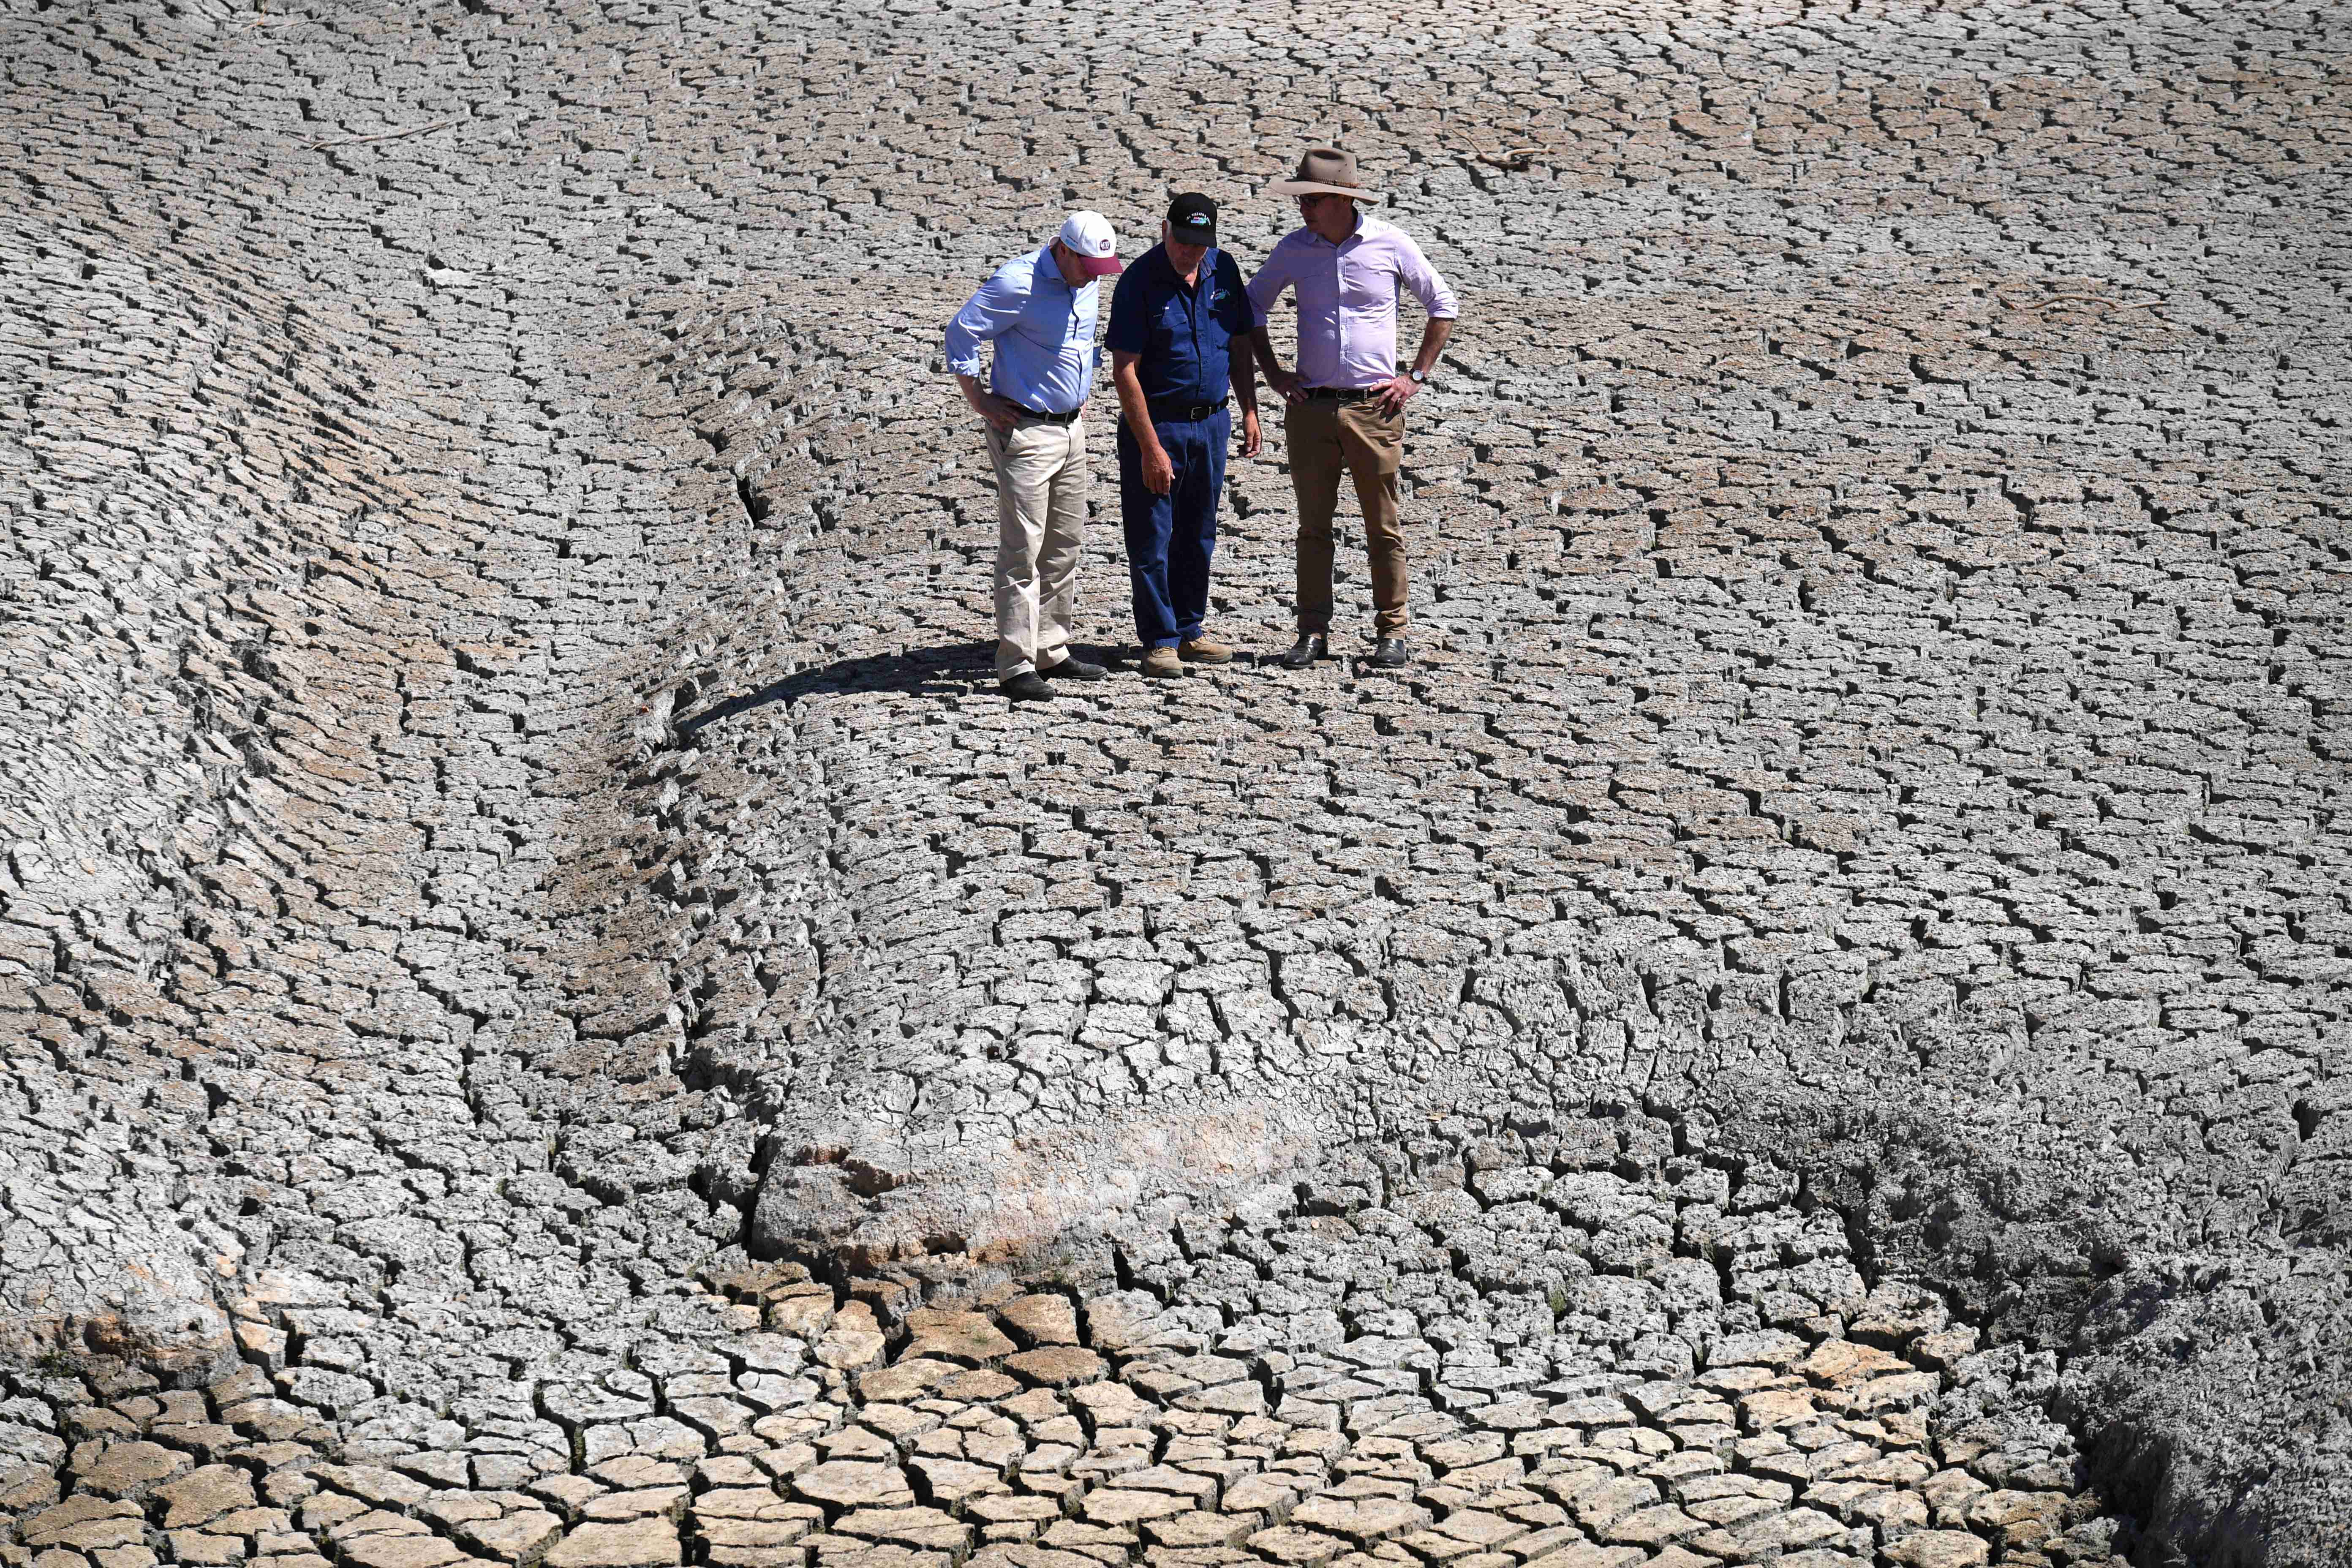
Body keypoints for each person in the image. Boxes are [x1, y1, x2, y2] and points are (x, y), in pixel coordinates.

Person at [1246, 148, 1459, 670]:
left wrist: (1415, 377)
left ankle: (1392, 631)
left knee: (1382, 526)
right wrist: (1273, 373)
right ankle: (1313, 632)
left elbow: (1443, 305)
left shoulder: (1390, 242)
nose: (1305, 210)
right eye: (1303, 200)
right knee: (1313, 528)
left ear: (1343, 200)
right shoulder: (1294, 249)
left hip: (1374, 409)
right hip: (1311, 408)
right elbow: (1252, 306)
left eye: (1313, 200)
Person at [943, 212, 1124, 702]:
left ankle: (1052, 647)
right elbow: (961, 333)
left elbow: (1079, 343)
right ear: (1062, 250)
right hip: (1024, 431)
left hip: (1072, 428)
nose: (1095, 276)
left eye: (1101, 269)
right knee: (1023, 548)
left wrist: (1080, 393)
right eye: (1088, 266)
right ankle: (1016, 663)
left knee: (1065, 543)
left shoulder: (1087, 279)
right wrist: (979, 399)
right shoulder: (1016, 283)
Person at [1105, 193, 1263, 679]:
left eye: (1199, 246)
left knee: (1199, 533)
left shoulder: (1224, 270)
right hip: (1159, 425)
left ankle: (1190, 629)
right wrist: (1151, 447)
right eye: (1181, 243)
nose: (1189, 254)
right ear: (1163, 230)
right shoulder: (1138, 283)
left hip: (1213, 423)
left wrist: (1251, 410)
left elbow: (1239, 344)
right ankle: (1159, 639)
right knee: (1153, 535)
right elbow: (1125, 371)